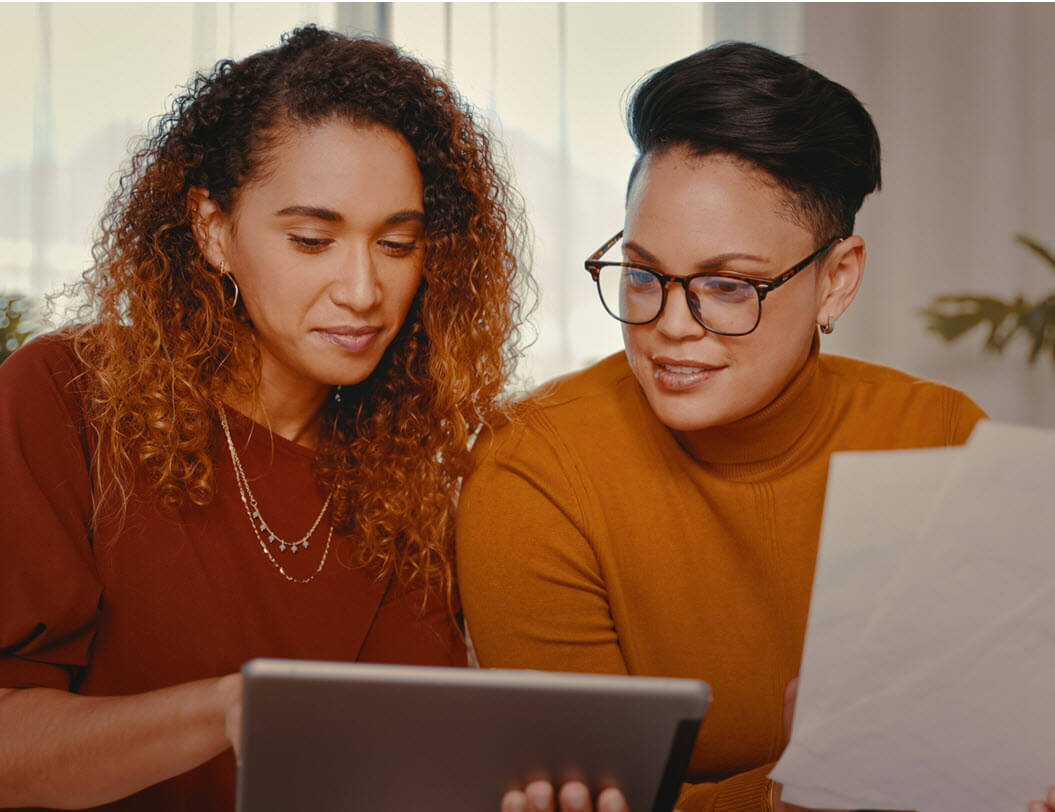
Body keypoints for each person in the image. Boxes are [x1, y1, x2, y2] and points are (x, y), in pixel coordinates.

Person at [0, 26, 530, 811]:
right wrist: (226, 710)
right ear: (213, 230)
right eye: (312, 240)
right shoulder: (67, 395)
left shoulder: (411, 465)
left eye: (397, 243)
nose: (362, 289)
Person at [455, 41, 988, 812]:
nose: (668, 325)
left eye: (727, 285)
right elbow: (599, 802)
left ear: (836, 282)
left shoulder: (939, 438)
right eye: (641, 274)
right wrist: (808, 787)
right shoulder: (534, 465)